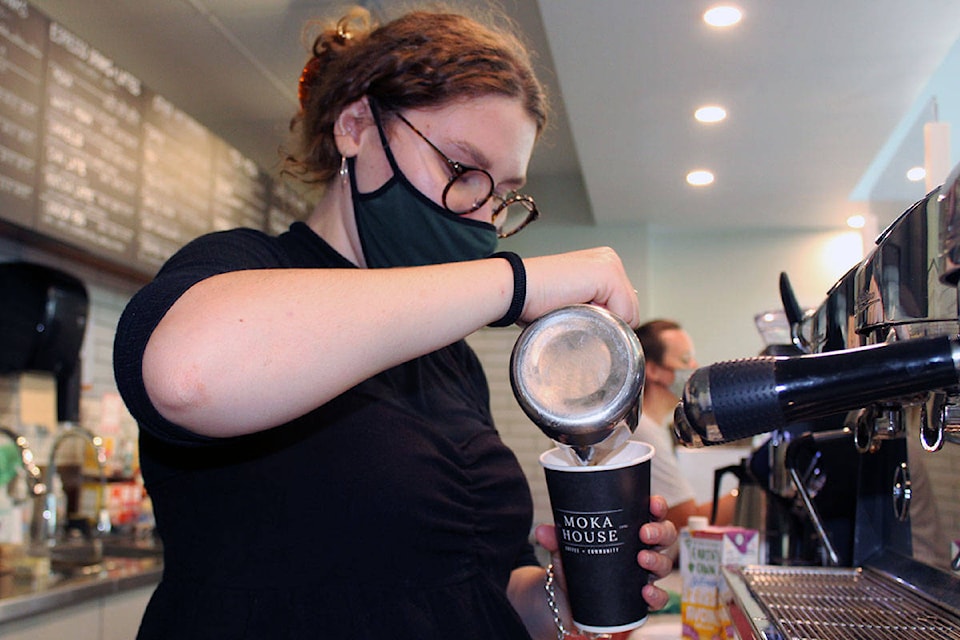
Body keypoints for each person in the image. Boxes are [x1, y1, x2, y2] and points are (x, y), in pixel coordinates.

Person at [112, 7, 677, 639]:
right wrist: (517, 282)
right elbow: (187, 375)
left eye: (502, 197)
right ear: (356, 124)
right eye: (462, 172)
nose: (482, 219)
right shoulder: (241, 269)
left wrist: (565, 593)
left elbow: (474, 584)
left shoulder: (450, 360)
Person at [634, 319, 736, 531]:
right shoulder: (643, 433)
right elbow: (686, 520)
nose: (694, 367)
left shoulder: (654, 428)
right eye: (685, 359)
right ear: (653, 370)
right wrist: (751, 492)